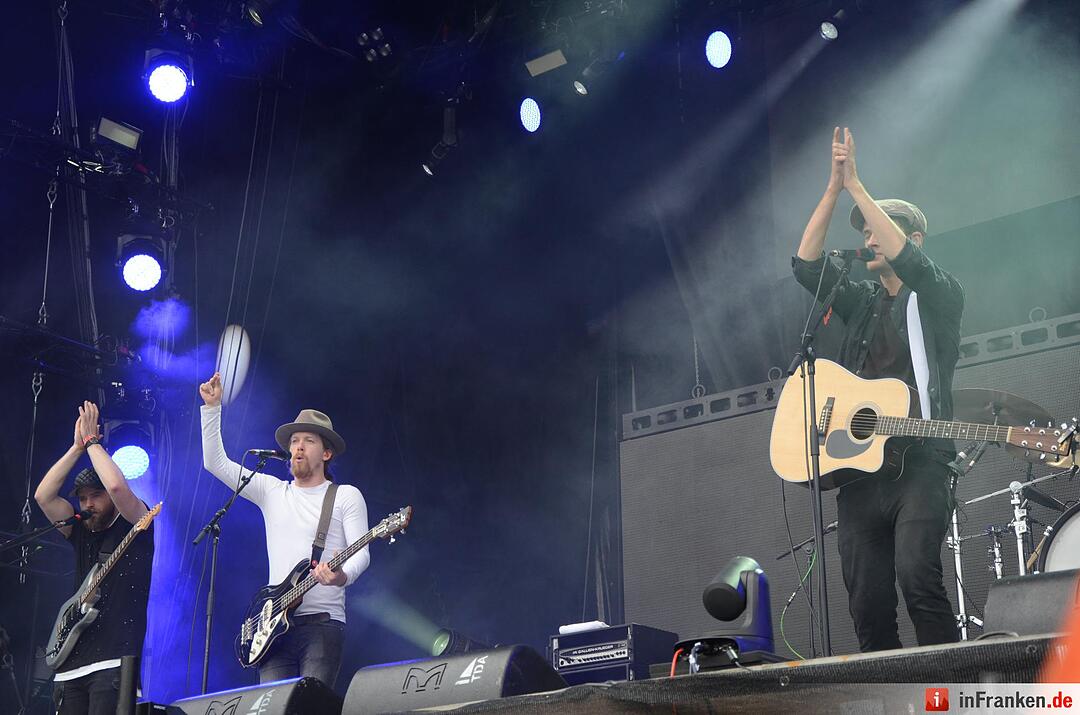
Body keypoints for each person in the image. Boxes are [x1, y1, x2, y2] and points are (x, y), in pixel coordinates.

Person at [792, 127, 964, 652]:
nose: (867, 238)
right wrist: (833, 189)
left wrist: (860, 187)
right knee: (866, 604)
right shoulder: (861, 302)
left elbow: (913, 268)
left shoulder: (939, 295)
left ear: (911, 240)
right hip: (861, 471)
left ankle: (951, 698)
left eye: (877, 230)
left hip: (921, 465)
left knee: (919, 582)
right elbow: (805, 264)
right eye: (863, 230)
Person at [198, 372, 370, 688]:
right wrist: (212, 409)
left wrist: (341, 575)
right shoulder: (272, 490)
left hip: (322, 624)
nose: (298, 447)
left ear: (326, 453)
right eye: (294, 441)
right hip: (272, 625)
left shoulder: (345, 495)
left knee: (310, 707)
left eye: (308, 440)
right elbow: (216, 463)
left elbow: (362, 555)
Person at [34, 401, 154, 715]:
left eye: (95, 496)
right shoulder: (81, 530)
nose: (88, 504)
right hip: (70, 664)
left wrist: (93, 443)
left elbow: (115, 485)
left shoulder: (136, 519)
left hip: (114, 659)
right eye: (83, 498)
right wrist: (76, 448)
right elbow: (43, 496)